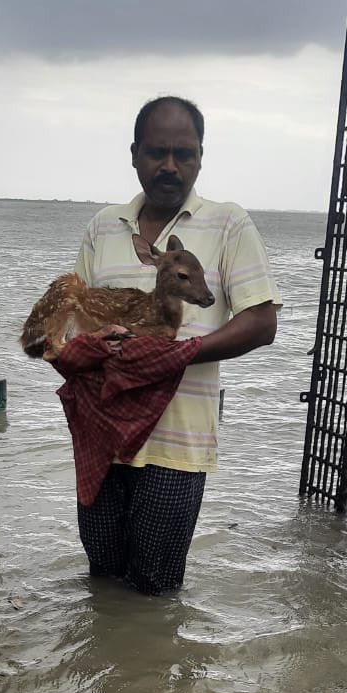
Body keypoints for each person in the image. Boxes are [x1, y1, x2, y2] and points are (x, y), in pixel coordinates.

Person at [73, 95, 280, 596]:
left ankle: (151, 672)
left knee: (154, 595)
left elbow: (261, 320)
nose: (169, 165)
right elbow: (77, 318)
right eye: (157, 152)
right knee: (101, 582)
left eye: (183, 154)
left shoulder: (229, 224)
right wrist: (81, 347)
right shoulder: (103, 226)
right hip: (101, 440)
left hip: (176, 449)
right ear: (134, 154)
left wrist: (177, 353)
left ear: (201, 157)